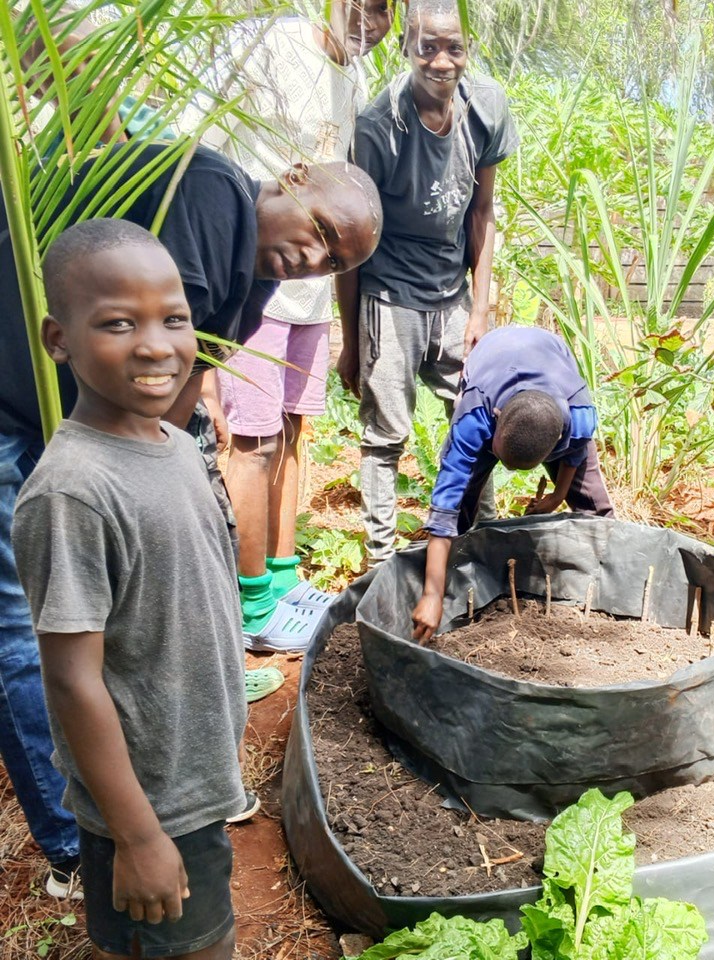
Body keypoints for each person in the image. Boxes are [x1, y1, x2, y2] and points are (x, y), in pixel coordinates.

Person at [0, 139, 380, 896]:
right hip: (20, 410)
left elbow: (181, 380)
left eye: (336, 263)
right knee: (27, 630)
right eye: (325, 235)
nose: (316, 260)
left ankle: (145, 799)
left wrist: (170, 468)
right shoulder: (212, 192)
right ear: (295, 177)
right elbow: (151, 374)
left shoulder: (259, 278)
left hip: (80, 431)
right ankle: (83, 842)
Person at [12, 219, 247, 959]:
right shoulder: (74, 492)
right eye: (118, 323)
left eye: (174, 319)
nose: (155, 344)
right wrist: (139, 835)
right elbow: (72, 680)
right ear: (59, 339)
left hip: (192, 782)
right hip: (148, 804)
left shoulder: (175, 444)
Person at [205, 0, 396, 649]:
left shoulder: (357, 83)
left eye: (389, 10)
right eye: (367, 3)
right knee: (250, 445)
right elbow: (200, 140)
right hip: (256, 275)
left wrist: (346, 320)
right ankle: (249, 603)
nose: (374, 18)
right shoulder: (271, 44)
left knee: (291, 431)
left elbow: (344, 207)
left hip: (307, 296)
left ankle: (282, 579)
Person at [337, 0, 519, 563]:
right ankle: (380, 561)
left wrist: (481, 311)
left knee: (476, 414)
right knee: (386, 433)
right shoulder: (377, 127)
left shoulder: (486, 107)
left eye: (455, 47)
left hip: (453, 293)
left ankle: (482, 538)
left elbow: (482, 211)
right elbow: (353, 239)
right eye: (428, 47)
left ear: (469, 51)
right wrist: (351, 341)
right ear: (406, 49)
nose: (442, 61)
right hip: (390, 291)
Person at [411, 326, 614, 641]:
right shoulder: (475, 417)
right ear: (497, 418)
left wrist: (559, 494)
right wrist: (432, 595)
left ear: (559, 439)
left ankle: (608, 595)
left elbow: (574, 455)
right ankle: (450, 586)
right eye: (498, 456)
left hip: (551, 357)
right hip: (492, 358)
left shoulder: (580, 417)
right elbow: (444, 509)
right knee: (462, 505)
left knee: (594, 508)